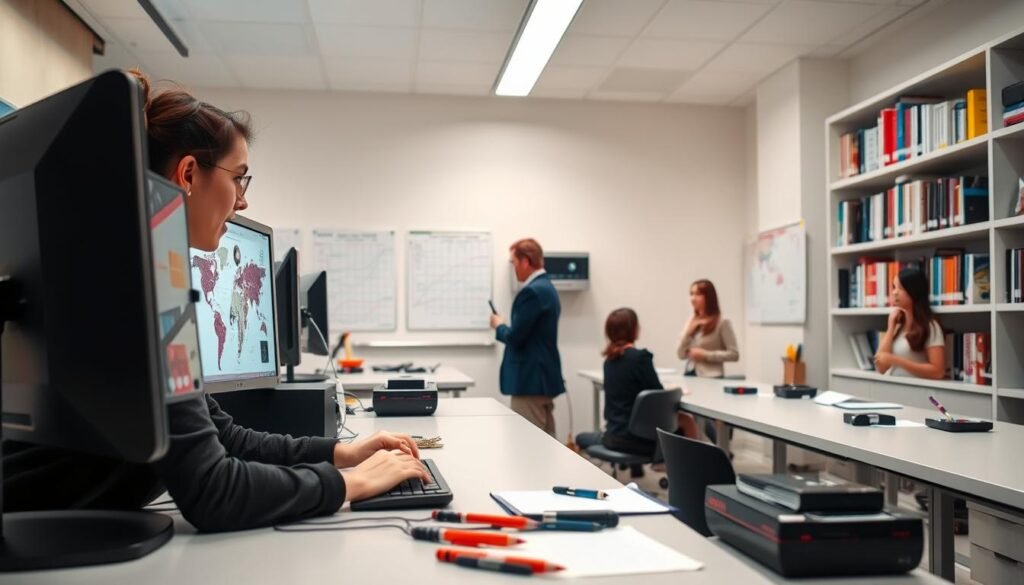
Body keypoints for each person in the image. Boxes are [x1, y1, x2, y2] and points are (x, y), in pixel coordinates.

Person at [2, 70, 429, 532]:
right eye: (239, 179)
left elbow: (222, 436)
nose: (243, 202)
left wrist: (339, 453)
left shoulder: (118, 278)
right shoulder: (134, 298)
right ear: (188, 174)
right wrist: (350, 484)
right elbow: (214, 491)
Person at [576, 309, 698, 459]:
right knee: (687, 420)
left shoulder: (609, 361)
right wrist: (675, 391)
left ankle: (665, 463)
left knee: (581, 437)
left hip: (613, 436)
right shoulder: (640, 358)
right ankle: (686, 468)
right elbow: (659, 397)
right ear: (634, 329)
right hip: (639, 440)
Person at [490, 238, 565, 436]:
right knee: (547, 442)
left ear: (525, 261)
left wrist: (499, 325)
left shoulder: (532, 292)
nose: (514, 269)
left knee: (528, 442)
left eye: (514, 263)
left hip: (530, 380)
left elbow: (516, 338)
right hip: (541, 378)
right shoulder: (547, 287)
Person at [874, 268, 945, 379]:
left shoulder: (931, 326)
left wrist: (895, 360)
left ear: (913, 291)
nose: (894, 292)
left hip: (915, 391)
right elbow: (881, 367)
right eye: (894, 287)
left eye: (900, 288)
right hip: (893, 388)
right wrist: (891, 327)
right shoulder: (898, 326)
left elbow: (938, 372)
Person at [676, 279, 739, 378]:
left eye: (698, 294)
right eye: (691, 294)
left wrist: (706, 355)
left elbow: (734, 354)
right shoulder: (691, 320)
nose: (693, 298)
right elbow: (680, 354)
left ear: (709, 297)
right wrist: (687, 333)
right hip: (690, 375)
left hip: (711, 377)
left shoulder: (722, 322)